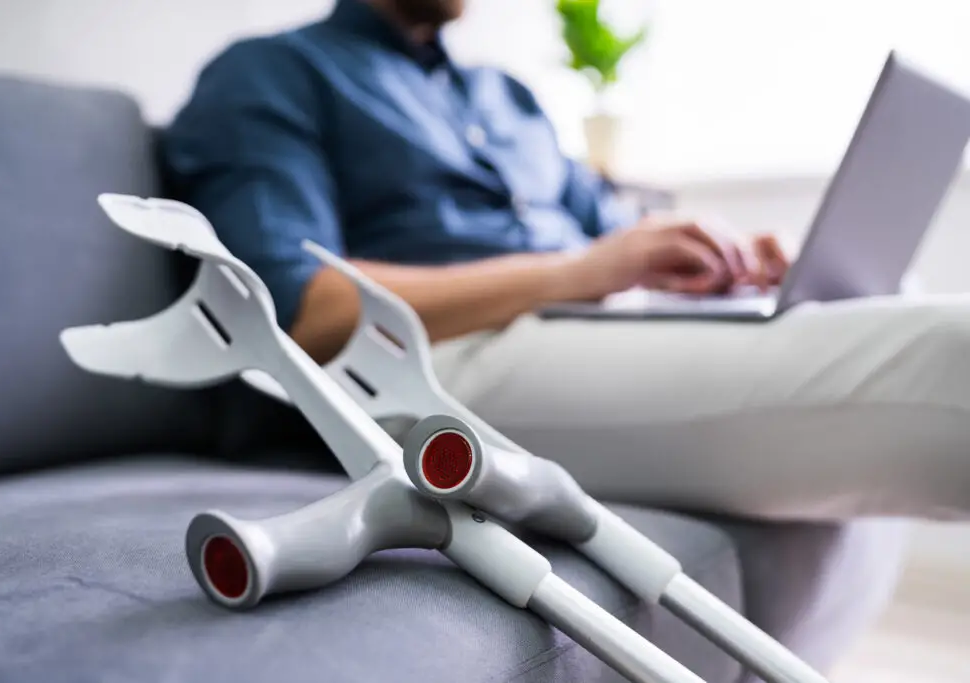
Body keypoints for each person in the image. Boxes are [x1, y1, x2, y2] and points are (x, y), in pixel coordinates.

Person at [162, 0, 970, 523]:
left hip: (582, 324)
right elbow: (300, 312)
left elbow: (611, 234)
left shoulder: (507, 99)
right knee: (948, 351)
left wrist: (714, 258)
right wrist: (577, 272)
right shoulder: (270, 74)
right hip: (424, 367)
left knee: (890, 295)